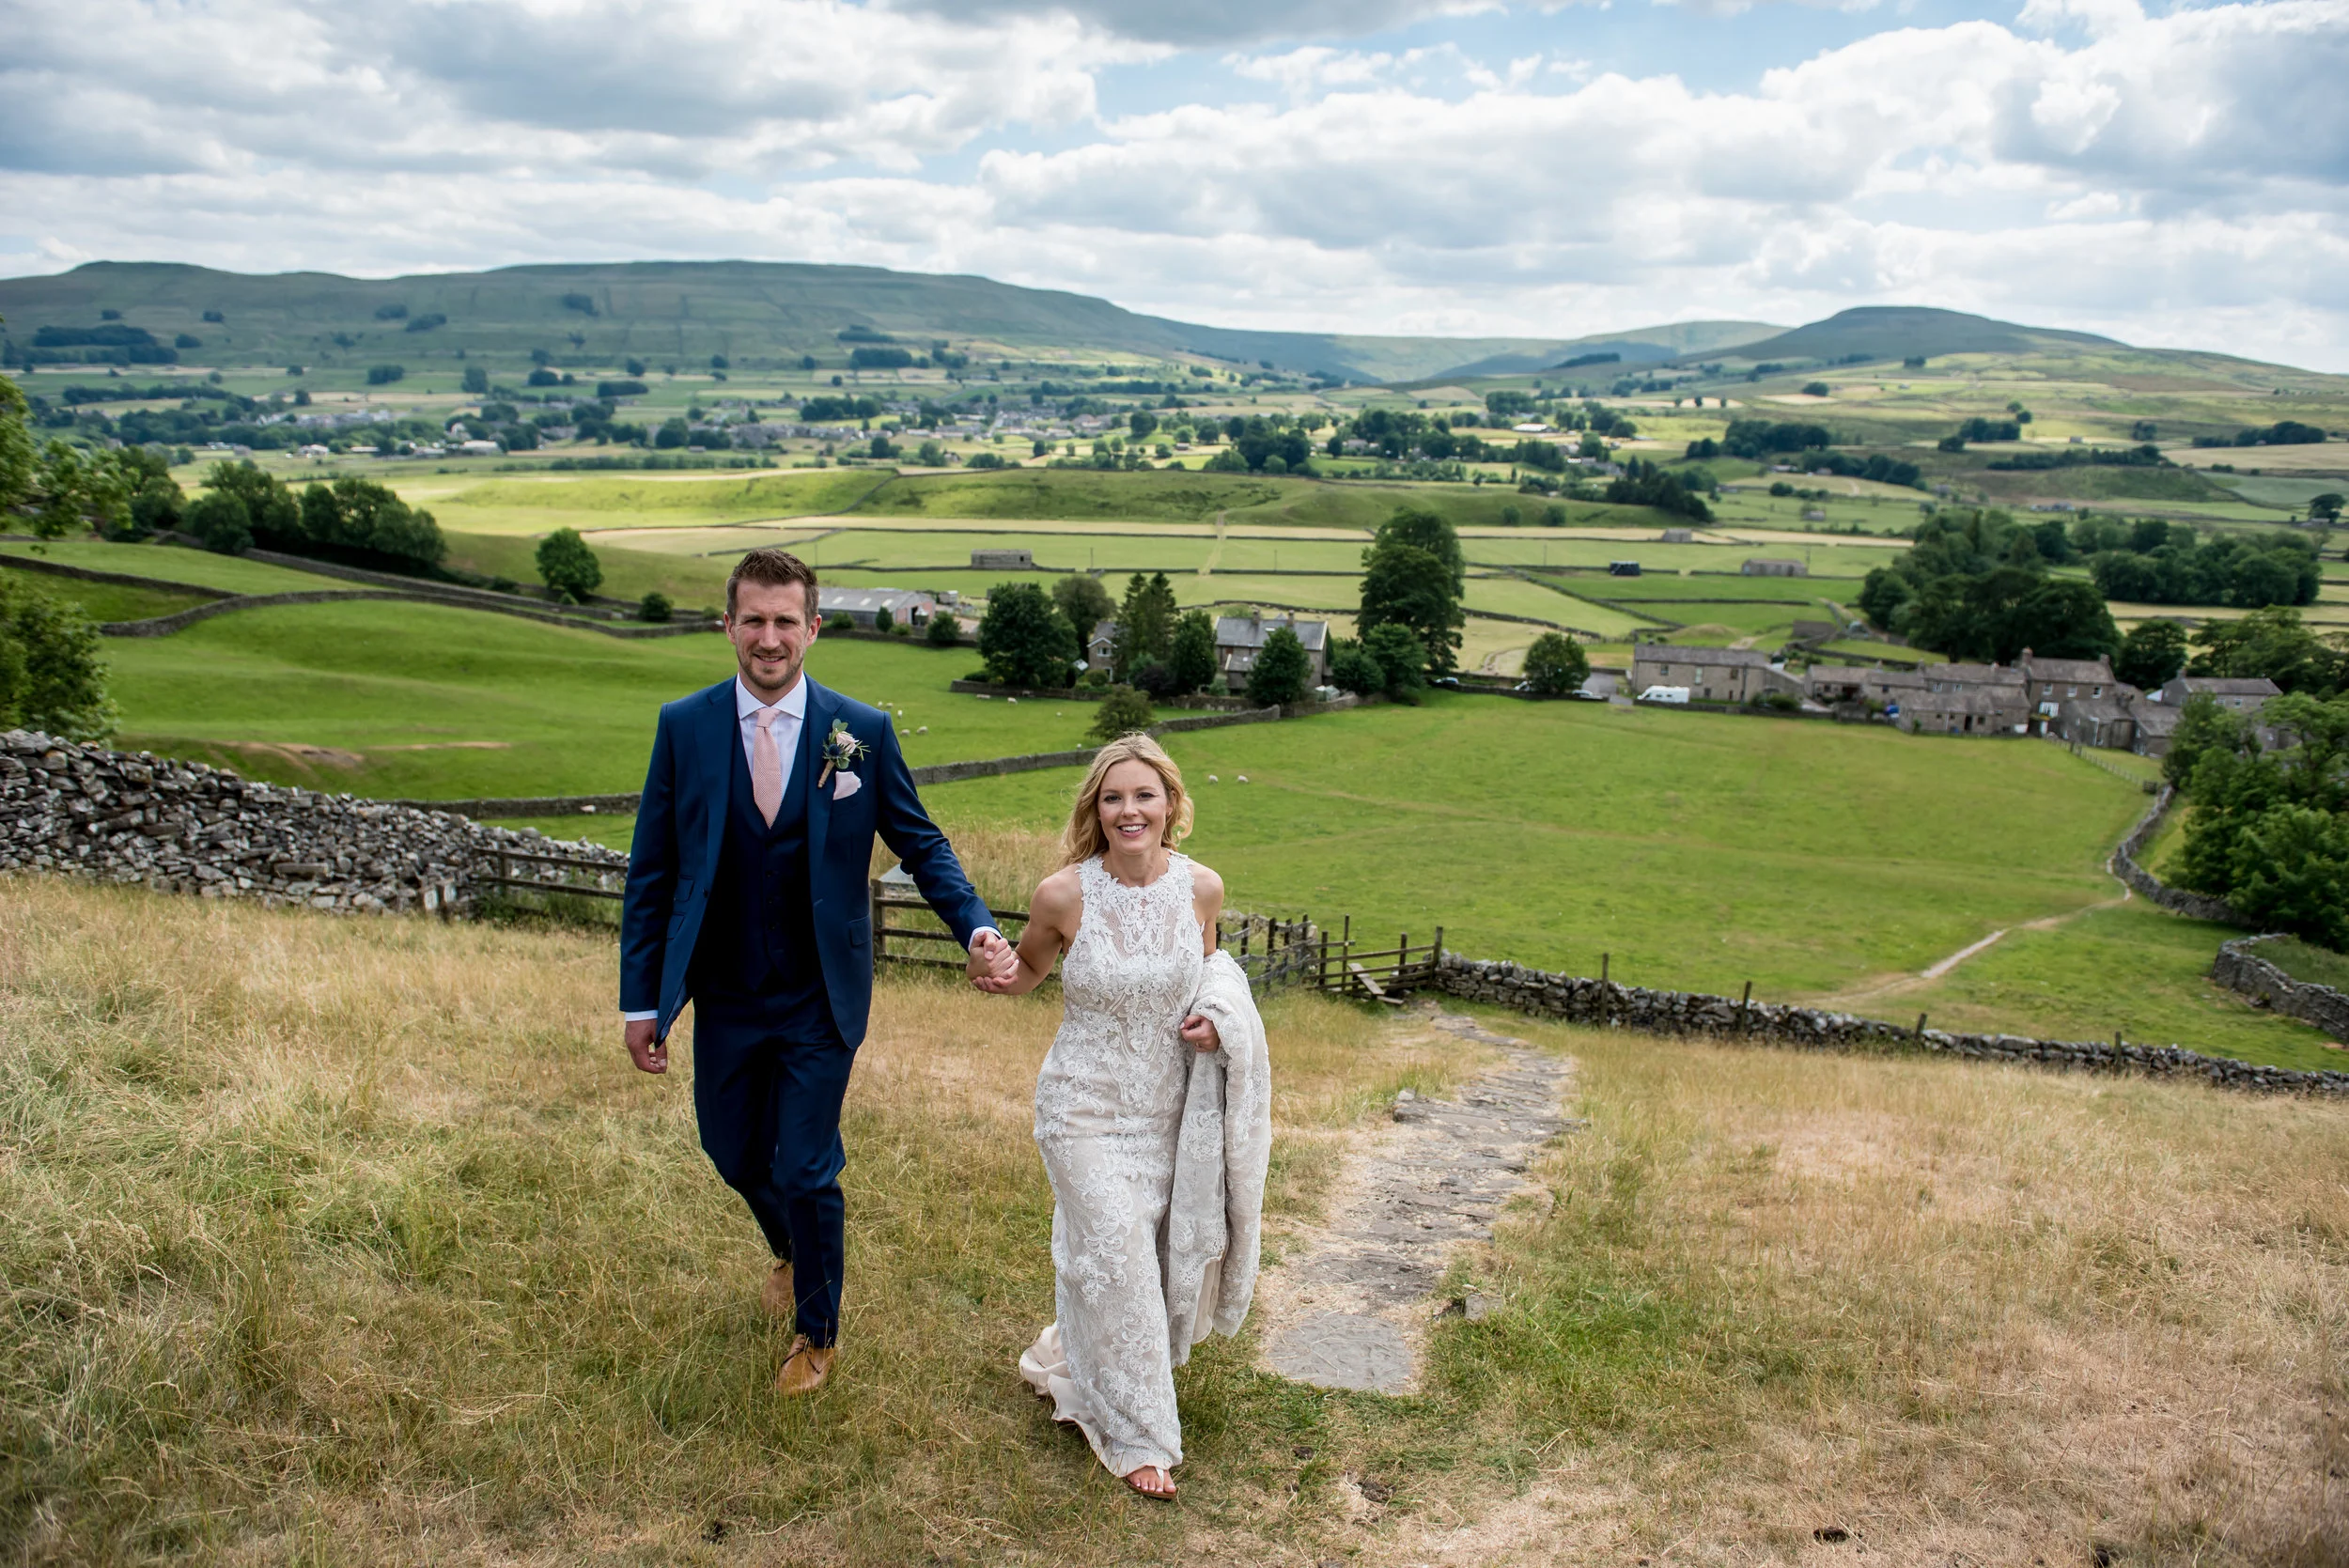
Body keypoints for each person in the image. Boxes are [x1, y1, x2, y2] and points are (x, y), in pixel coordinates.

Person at [620, 547, 1018, 1398]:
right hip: (724, 989)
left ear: (814, 628)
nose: (770, 638)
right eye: (754, 620)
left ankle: (818, 1328)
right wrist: (640, 999)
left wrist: (976, 927)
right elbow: (652, 872)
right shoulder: (683, 726)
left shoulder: (860, 734)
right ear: (728, 625)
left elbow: (922, 843)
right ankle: (789, 1244)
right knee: (731, 1151)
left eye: (785, 621)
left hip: (819, 995)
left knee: (805, 1164)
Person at [970, 733, 1270, 1499]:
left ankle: (1080, 1352)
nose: (1129, 809)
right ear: (1095, 810)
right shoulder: (1064, 894)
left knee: (1135, 1255)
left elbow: (1211, 974)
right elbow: (1030, 968)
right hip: (1081, 1107)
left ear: (1171, 803)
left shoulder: (1203, 887)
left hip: (1165, 1109)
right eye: (1113, 797)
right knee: (1122, 1257)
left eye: (1144, 795)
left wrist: (1214, 1019)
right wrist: (997, 970)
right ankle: (1140, 1437)